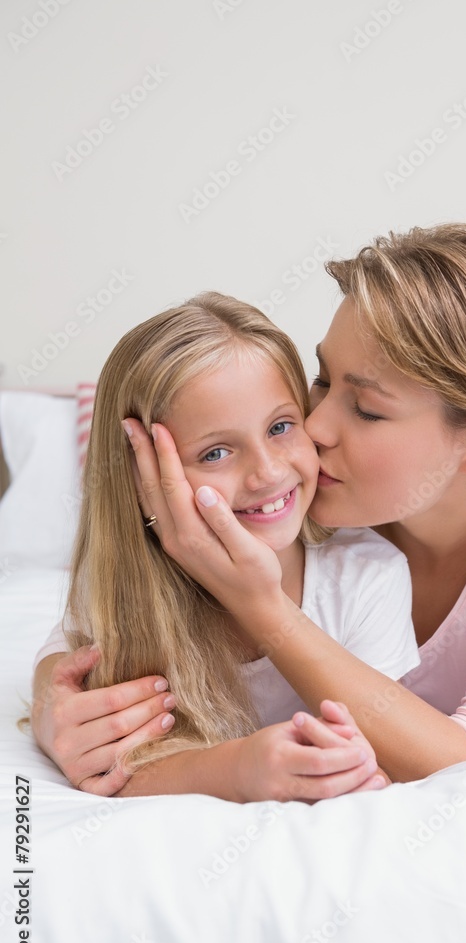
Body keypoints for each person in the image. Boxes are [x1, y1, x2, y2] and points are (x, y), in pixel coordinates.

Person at [31, 222, 466, 792]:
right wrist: (56, 699)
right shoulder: (278, 491)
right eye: (320, 380)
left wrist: (261, 606)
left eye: (367, 410)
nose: (313, 428)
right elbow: (114, 606)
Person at [30, 292, 421, 799]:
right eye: (216, 452)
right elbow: (103, 757)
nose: (268, 472)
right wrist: (237, 768)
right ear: (144, 476)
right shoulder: (121, 588)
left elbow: (384, 764)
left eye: (281, 426)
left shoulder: (370, 576)